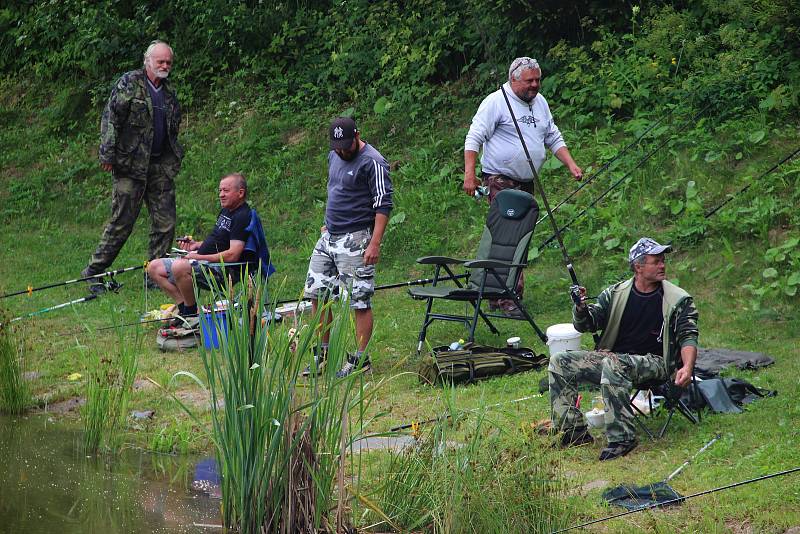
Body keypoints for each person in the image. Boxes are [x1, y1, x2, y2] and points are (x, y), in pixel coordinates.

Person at [547, 237, 699, 461]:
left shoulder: (677, 299)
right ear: (638, 267)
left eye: (663, 260)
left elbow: (688, 336)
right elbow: (588, 324)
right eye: (656, 261)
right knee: (560, 361)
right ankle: (574, 432)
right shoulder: (615, 293)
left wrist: (687, 366)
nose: (662, 265)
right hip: (615, 360)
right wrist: (580, 307)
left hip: (656, 363)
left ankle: (623, 437)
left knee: (613, 363)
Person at [463, 56, 582, 316]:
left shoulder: (540, 104)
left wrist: (571, 165)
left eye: (538, 79)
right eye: (530, 80)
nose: (535, 85)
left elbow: (552, 136)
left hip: (527, 183)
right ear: (513, 79)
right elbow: (474, 137)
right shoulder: (496, 102)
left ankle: (499, 296)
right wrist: (469, 175)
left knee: (520, 239)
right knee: (509, 238)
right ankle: (507, 299)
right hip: (500, 179)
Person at [82, 40, 184, 291]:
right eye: (160, 61)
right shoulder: (130, 83)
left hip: (160, 166)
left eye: (168, 62)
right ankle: (94, 270)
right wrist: (107, 154)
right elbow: (111, 118)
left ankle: (155, 275)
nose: (165, 66)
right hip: (130, 166)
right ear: (148, 61)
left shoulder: (169, 94)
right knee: (122, 222)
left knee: (165, 222)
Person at [303, 117, 393, 378]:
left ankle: (361, 360)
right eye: (337, 146)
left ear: (357, 135)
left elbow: (383, 204)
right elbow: (336, 190)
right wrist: (326, 225)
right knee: (317, 294)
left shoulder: (373, 161)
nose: (341, 150)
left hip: (356, 239)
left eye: (345, 145)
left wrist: (374, 243)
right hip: (329, 237)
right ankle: (323, 355)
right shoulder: (334, 155)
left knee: (358, 300)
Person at [147, 173, 261, 328]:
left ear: (240, 193)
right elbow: (219, 240)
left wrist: (199, 257)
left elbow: (233, 255)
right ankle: (184, 309)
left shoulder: (242, 216)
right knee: (153, 267)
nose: (221, 194)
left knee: (179, 266)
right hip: (206, 262)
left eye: (226, 191)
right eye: (220, 190)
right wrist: (196, 245)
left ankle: (191, 314)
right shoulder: (227, 211)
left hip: (224, 271)